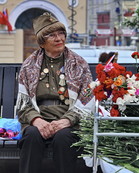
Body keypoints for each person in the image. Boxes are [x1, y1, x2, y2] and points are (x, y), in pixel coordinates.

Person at [16, 12, 94, 173]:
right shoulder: (29, 65)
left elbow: (87, 97)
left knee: (63, 138)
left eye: (61, 33)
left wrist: (67, 120)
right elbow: (23, 104)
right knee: (31, 136)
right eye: (52, 35)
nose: (59, 39)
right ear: (41, 42)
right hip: (39, 119)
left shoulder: (79, 63)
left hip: (70, 120)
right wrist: (37, 120)